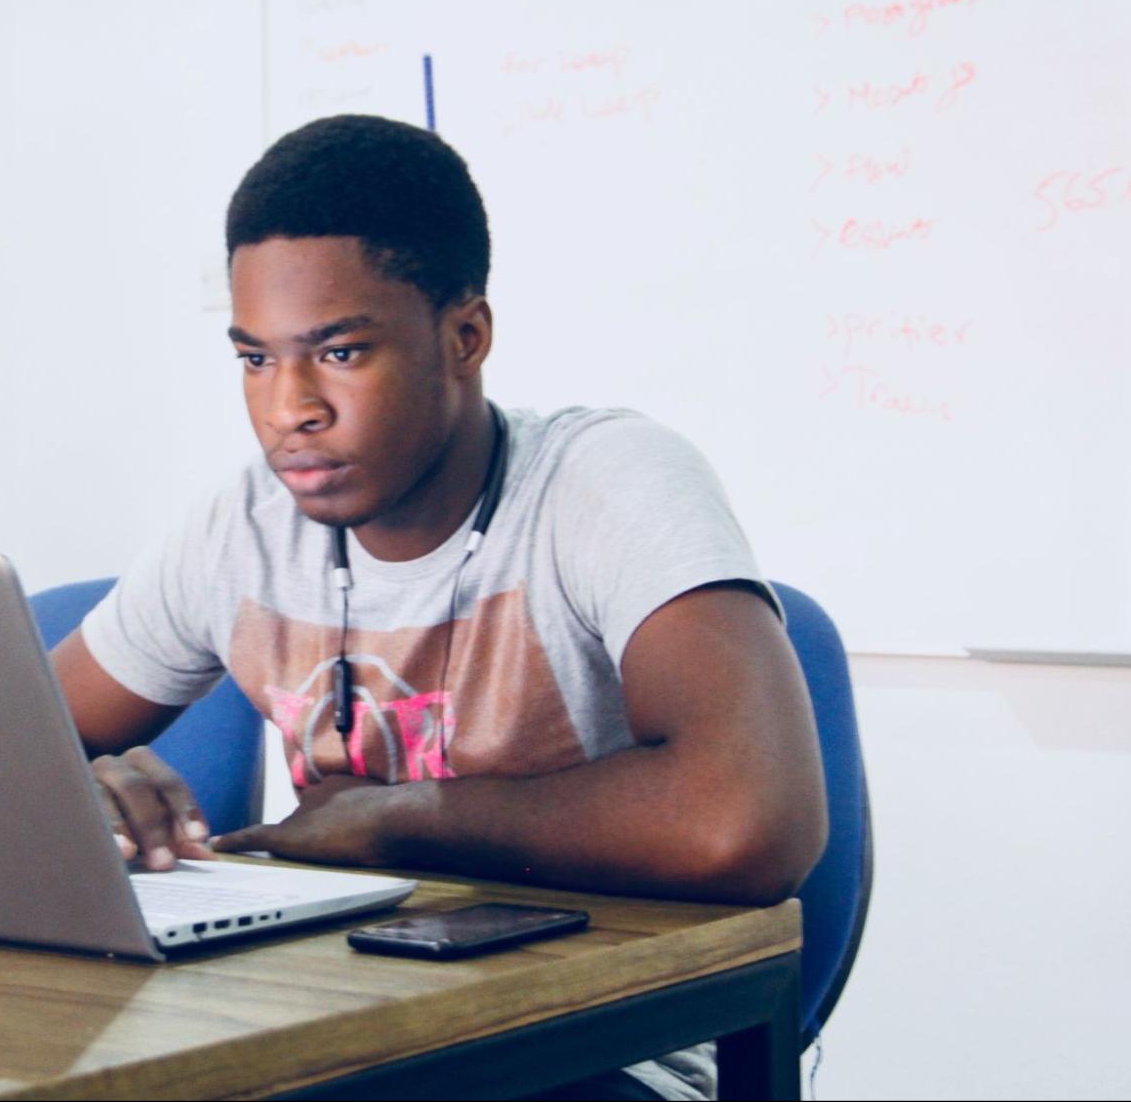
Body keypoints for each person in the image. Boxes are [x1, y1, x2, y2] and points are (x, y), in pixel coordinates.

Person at [49, 113, 826, 1101]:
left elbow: (744, 821)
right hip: (333, 1021)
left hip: (597, 1041)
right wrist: (79, 793)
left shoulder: (604, 481)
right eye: (254, 359)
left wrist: (397, 816)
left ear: (464, 336)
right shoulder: (241, 521)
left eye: (337, 352)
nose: (289, 407)